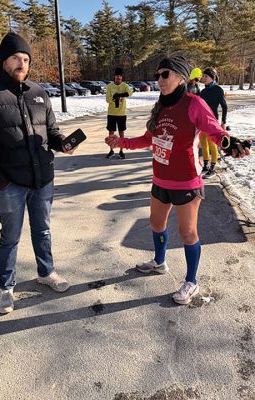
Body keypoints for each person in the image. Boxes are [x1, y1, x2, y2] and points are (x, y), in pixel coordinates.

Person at [105, 56, 250, 305]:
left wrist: (231, 143)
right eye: (158, 75)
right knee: (156, 223)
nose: (159, 80)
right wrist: (122, 142)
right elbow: (148, 138)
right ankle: (159, 262)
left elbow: (215, 131)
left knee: (187, 233)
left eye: (165, 75)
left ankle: (191, 281)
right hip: (160, 179)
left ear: (181, 77)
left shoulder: (194, 103)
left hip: (186, 182)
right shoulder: (160, 106)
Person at [0, 32, 76, 314]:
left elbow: (50, 131)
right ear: (3, 60)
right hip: (9, 183)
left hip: (43, 179)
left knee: (43, 230)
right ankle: (6, 286)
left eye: (26, 59)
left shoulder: (39, 92)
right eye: (15, 57)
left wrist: (61, 143)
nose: (21, 63)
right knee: (10, 237)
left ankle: (46, 272)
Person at [200, 67, 228, 178]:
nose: (204, 78)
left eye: (206, 76)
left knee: (212, 144)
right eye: (203, 76)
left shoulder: (218, 89)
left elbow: (224, 107)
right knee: (203, 144)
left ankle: (212, 168)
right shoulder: (203, 91)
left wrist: (223, 122)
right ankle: (205, 165)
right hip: (202, 122)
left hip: (213, 121)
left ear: (211, 77)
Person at [105, 67, 132, 159]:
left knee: (121, 133)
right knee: (111, 132)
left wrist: (120, 95)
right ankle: (111, 150)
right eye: (117, 76)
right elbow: (107, 100)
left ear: (122, 77)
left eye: (120, 76)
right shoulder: (110, 86)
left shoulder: (124, 85)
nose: (119, 78)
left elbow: (130, 93)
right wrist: (114, 97)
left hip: (121, 113)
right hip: (112, 113)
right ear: (114, 76)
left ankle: (121, 151)